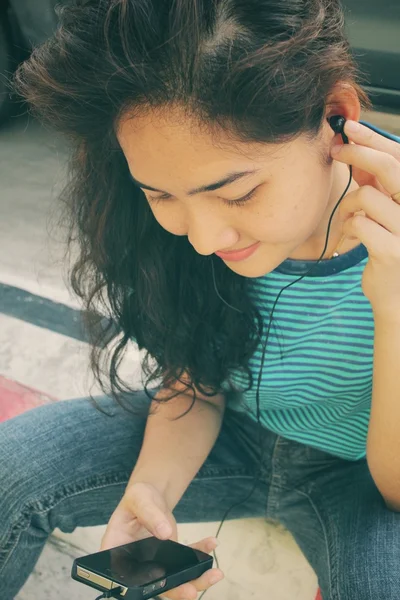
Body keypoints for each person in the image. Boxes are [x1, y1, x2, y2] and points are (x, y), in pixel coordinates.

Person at [2, 0, 400, 598]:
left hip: (362, 475)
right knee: (13, 467)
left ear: (336, 114)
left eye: (238, 194)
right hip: (231, 432)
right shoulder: (161, 214)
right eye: (161, 195)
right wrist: (151, 495)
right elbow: (198, 376)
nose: (205, 238)